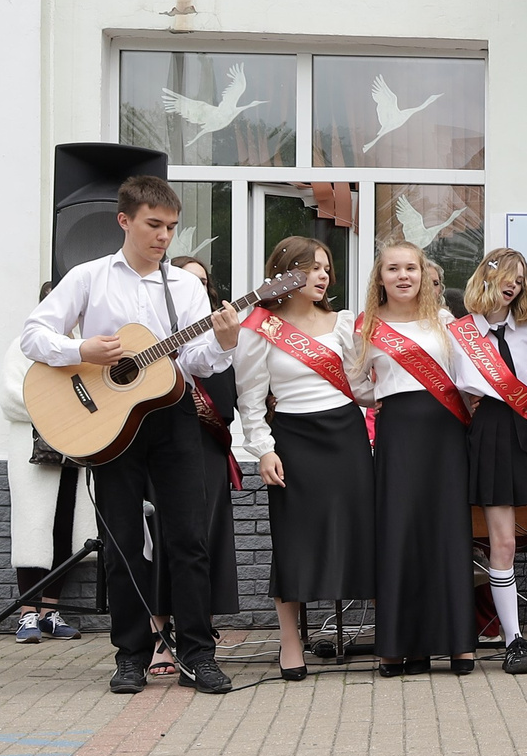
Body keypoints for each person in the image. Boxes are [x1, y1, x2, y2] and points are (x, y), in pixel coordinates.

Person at [20, 176, 242, 694]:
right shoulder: (89, 277)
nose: (164, 236)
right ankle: (130, 656)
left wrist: (226, 344)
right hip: (110, 425)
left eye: (171, 227)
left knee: (189, 540)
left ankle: (197, 653)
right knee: (121, 543)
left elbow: (194, 360)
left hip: (173, 419)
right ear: (124, 221)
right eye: (154, 225)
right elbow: (33, 334)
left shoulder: (185, 287)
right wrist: (81, 352)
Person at [234, 238, 373, 680]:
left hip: (346, 436)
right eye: (311, 267)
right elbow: (250, 401)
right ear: (285, 272)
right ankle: (290, 641)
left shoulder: (344, 322)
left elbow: (361, 387)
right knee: (293, 541)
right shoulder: (260, 329)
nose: (322, 275)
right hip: (294, 439)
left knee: (360, 530)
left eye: (326, 268)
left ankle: (382, 629)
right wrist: (264, 450)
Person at [449, 248, 527, 674]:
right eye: (508, 274)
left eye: (521, 277)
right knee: (501, 543)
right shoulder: (458, 332)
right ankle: (514, 640)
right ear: (485, 277)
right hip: (489, 431)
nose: (514, 283)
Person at [357, 239, 476, 677]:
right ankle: (398, 647)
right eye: (393, 269)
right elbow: (352, 382)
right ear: (381, 277)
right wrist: (380, 399)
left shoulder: (445, 320)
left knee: (447, 530)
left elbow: (468, 378)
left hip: (445, 434)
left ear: (424, 274)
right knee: (400, 532)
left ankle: (458, 645)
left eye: (411, 267)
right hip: (399, 434)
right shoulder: (368, 326)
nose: (403, 275)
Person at [0, 282, 92, 644]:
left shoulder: (87, 346)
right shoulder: (24, 345)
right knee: (32, 528)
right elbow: (11, 397)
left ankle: (51, 611)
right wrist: (65, 406)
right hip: (34, 453)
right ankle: (27, 614)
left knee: (65, 527)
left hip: (77, 449)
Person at [172, 254, 243, 663]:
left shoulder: (219, 340)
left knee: (205, 541)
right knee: (163, 543)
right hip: (156, 444)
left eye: (203, 282)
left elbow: (228, 399)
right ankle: (158, 630)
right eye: (186, 280)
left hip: (207, 447)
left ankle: (199, 627)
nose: (196, 288)